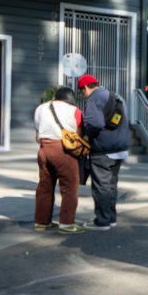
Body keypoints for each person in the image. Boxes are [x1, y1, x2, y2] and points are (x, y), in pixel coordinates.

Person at [78, 74, 131, 231]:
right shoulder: (115, 96)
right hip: (120, 148)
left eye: (82, 91)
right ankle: (111, 217)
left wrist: (86, 137)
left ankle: (102, 221)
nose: (83, 94)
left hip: (104, 149)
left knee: (101, 186)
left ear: (86, 88)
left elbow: (95, 123)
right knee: (111, 185)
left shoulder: (94, 99)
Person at [33, 86, 85, 234]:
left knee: (45, 186)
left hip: (43, 149)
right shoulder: (74, 111)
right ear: (71, 99)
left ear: (56, 97)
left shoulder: (41, 108)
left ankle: (42, 223)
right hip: (64, 151)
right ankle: (67, 224)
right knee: (69, 188)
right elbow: (78, 135)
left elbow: (37, 135)